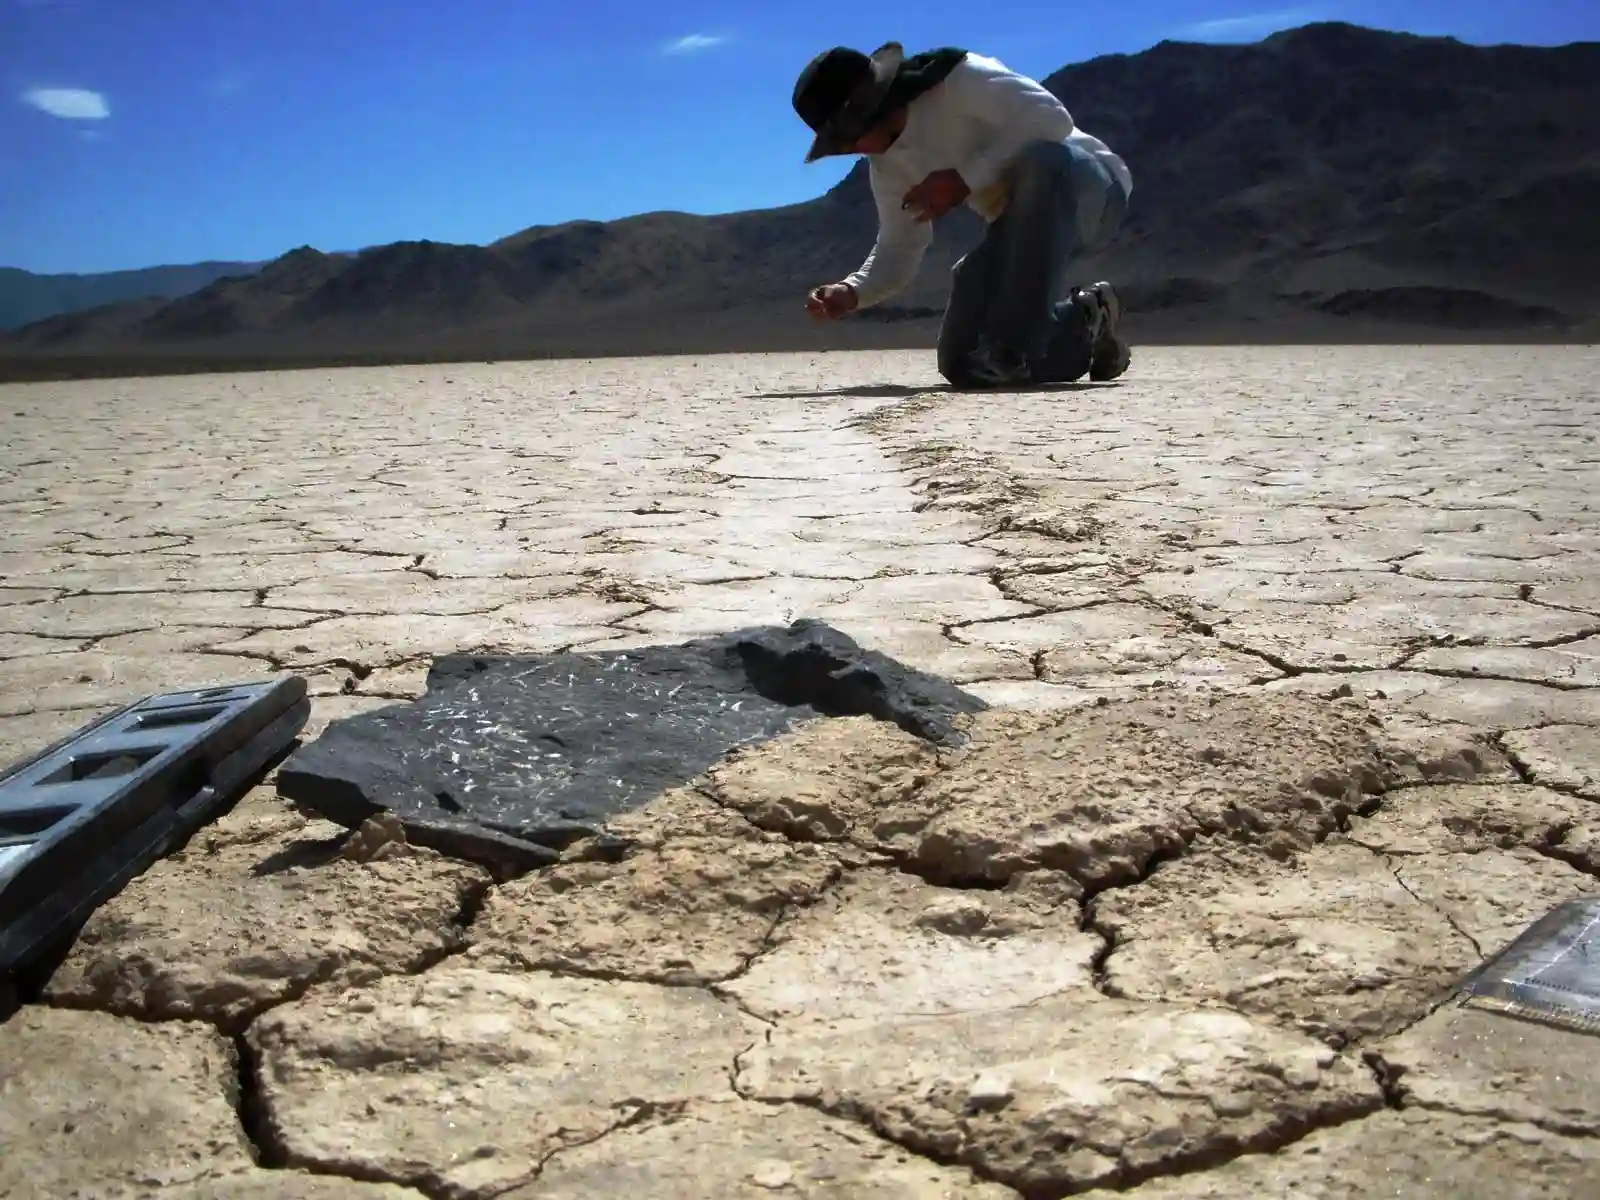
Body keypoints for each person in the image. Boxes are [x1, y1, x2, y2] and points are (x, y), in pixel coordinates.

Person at [792, 42, 1133, 388]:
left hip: (1090, 195)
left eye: (847, 137)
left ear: (873, 106)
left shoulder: (958, 80)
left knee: (1042, 162)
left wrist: (964, 178)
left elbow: (1052, 119)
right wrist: (852, 291)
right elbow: (900, 244)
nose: (850, 150)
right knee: (966, 362)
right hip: (1018, 235)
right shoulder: (888, 166)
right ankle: (1086, 318)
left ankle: (1015, 347)